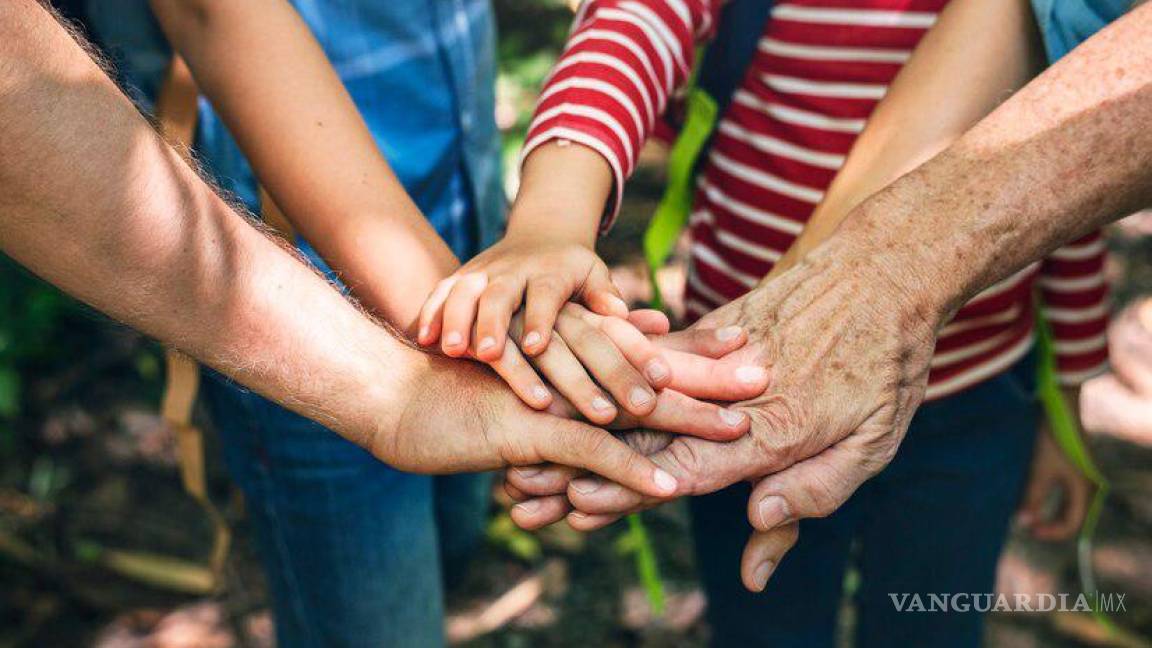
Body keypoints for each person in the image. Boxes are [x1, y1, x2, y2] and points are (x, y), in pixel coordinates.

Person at [2, 2, 771, 645]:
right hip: (290, 271)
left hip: (458, 216)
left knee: (448, 533)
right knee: (372, 606)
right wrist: (450, 343)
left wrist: (489, 309)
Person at [430, 1, 1104, 644]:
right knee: (765, 620)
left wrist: (1065, 413)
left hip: (971, 401)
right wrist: (551, 220)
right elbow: (639, 18)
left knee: (931, 618)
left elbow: (1069, 181)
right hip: (743, 389)